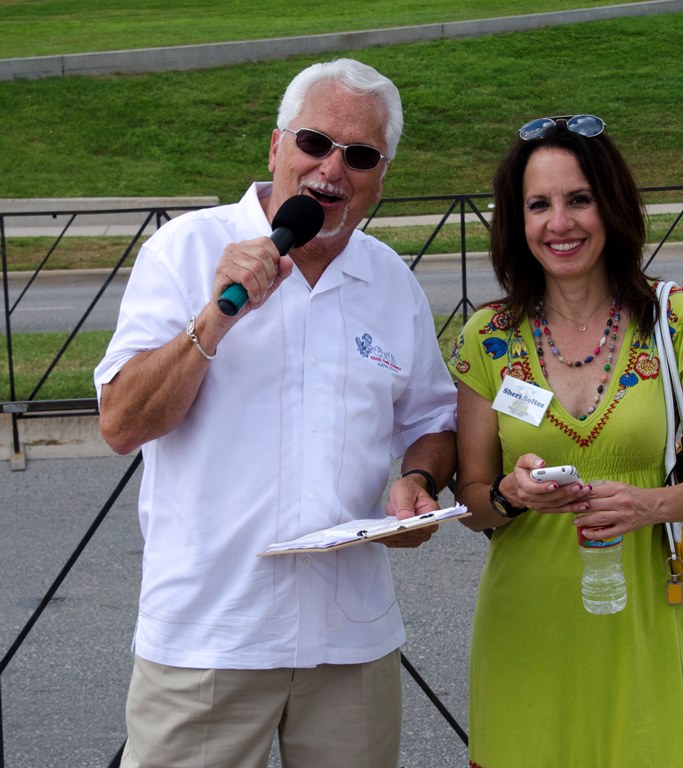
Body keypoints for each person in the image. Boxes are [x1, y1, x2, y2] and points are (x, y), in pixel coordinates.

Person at [94, 58, 456, 768]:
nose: (331, 169)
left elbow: (431, 421)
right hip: (209, 636)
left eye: (360, 156)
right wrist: (214, 318)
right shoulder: (185, 250)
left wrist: (420, 482)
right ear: (275, 146)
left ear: (382, 176)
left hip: (351, 639)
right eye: (314, 143)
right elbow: (122, 424)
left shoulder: (390, 281)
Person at [448, 114, 683, 767]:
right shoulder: (487, 337)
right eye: (538, 205)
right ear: (517, 221)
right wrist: (511, 494)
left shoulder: (674, 318)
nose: (559, 223)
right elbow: (471, 503)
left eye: (579, 199)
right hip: (526, 627)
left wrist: (649, 505)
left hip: (640, 617)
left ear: (611, 205)